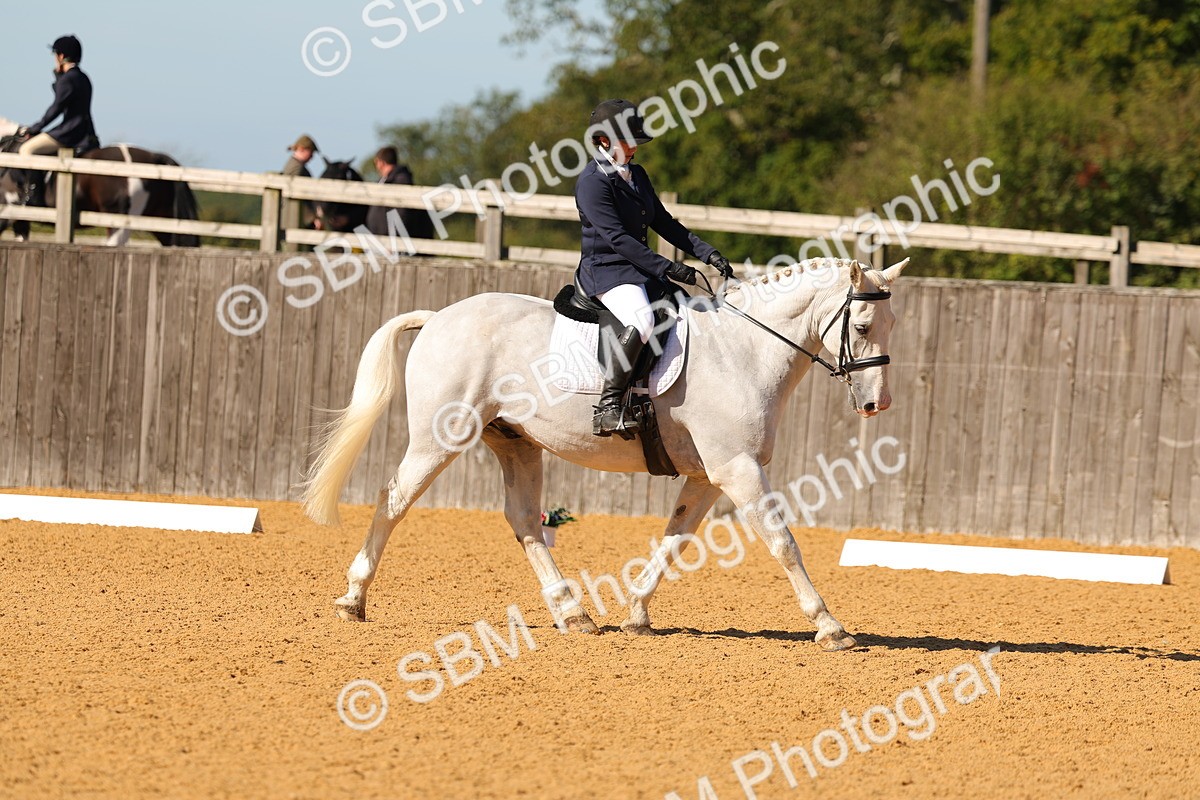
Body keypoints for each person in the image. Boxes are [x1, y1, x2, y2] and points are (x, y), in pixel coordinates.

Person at [575, 99, 735, 437]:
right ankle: (608, 406)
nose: (634, 147)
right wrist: (667, 267)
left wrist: (708, 253)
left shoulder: (637, 175)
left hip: (637, 269)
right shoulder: (593, 182)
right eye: (626, 141)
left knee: (685, 311)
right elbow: (618, 239)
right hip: (607, 270)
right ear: (604, 140)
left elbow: (663, 222)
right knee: (642, 319)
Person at [17, 35, 97, 206]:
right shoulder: (84, 78)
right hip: (85, 132)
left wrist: (35, 128)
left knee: (26, 150)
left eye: (55, 55)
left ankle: (33, 196)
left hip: (69, 133)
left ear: (61, 56)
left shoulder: (68, 79)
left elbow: (56, 108)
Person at [365, 145, 413, 234]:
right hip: (378, 237)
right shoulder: (383, 180)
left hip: (391, 238)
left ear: (380, 162)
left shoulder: (401, 179)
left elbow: (402, 212)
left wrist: (394, 234)